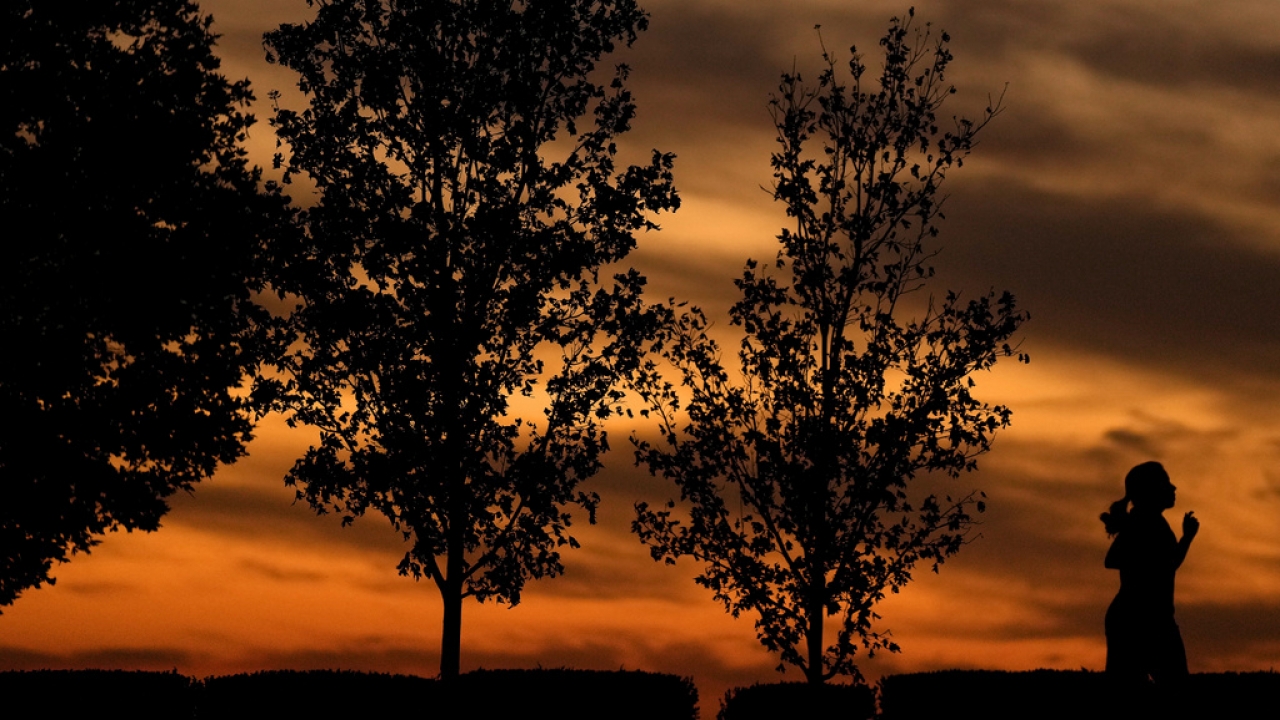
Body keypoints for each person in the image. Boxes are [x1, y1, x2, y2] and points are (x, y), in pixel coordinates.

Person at [1100, 461, 1199, 685]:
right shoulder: (1145, 522)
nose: (1173, 488)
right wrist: (1186, 539)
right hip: (1141, 621)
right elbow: (1113, 559)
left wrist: (1185, 539)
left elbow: (1167, 562)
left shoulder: (1149, 521)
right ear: (1151, 490)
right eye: (1166, 483)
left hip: (1142, 619)